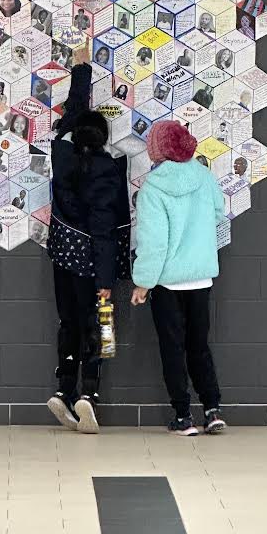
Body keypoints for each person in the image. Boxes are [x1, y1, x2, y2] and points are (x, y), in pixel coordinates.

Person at [46, 48, 130, 434]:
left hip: (63, 260)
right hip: (96, 265)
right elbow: (102, 230)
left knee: (70, 322)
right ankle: (90, 394)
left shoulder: (61, 154)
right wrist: (106, 283)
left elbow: (74, 110)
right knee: (104, 325)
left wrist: (81, 68)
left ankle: (64, 390)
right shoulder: (106, 172)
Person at [131, 120, 227, 437]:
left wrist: (143, 283)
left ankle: (183, 416)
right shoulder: (204, 176)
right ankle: (212, 409)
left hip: (167, 282)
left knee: (173, 348)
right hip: (200, 278)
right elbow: (216, 213)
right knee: (199, 346)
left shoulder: (153, 189)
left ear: (156, 150)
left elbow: (154, 243)